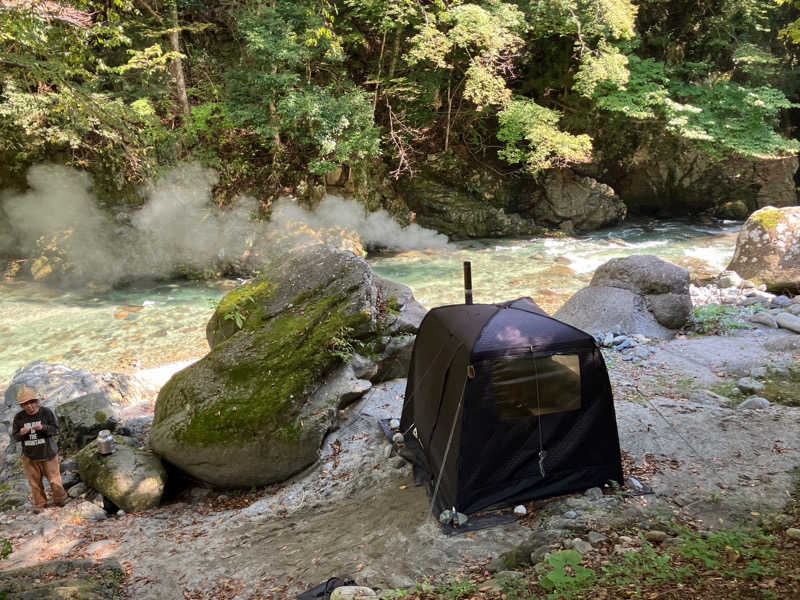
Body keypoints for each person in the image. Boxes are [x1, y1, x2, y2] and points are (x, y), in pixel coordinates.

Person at [11, 386, 67, 512]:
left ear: (37, 401)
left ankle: (60, 499)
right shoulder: (19, 418)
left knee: (54, 479)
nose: (29, 406)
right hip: (29, 456)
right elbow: (15, 437)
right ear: (22, 406)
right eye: (25, 404)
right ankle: (40, 504)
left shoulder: (46, 412)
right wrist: (21, 433)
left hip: (48, 453)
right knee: (34, 483)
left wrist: (43, 428)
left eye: (32, 402)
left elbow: (56, 430)